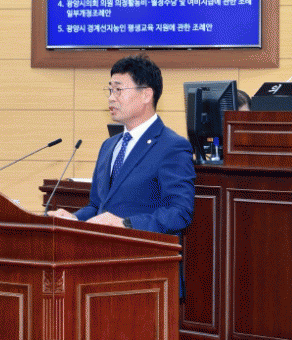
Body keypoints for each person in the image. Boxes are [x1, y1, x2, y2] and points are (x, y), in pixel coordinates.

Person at [48, 54, 195, 234]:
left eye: (118, 90)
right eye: (110, 90)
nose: (111, 98)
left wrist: (127, 224)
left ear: (146, 95)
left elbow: (179, 213)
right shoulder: (109, 146)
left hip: (142, 249)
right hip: (103, 248)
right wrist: (75, 218)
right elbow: (97, 206)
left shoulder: (172, 147)